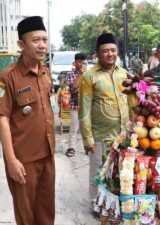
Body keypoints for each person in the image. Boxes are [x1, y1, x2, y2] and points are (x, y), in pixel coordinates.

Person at [0, 16, 55, 225]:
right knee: (26, 216)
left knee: (46, 213)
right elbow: (2, 119)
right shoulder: (7, 77)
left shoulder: (46, 73)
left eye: (45, 40)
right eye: (36, 40)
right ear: (21, 44)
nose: (42, 45)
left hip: (47, 155)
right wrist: (11, 161)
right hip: (23, 159)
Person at [78, 33, 129, 203]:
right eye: (105, 51)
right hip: (99, 136)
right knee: (98, 173)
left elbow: (132, 102)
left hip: (123, 135)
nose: (110, 54)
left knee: (120, 172)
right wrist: (87, 139)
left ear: (118, 52)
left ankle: (115, 204)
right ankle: (96, 204)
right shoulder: (89, 76)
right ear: (98, 54)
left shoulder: (124, 74)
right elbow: (84, 110)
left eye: (113, 50)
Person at [64, 53, 87, 157]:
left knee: (87, 128)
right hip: (75, 104)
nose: (81, 64)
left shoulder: (89, 73)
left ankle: (88, 147)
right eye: (79, 61)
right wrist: (81, 75)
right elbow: (73, 88)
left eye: (83, 62)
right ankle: (71, 148)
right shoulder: (70, 74)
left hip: (87, 105)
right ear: (75, 63)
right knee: (74, 127)